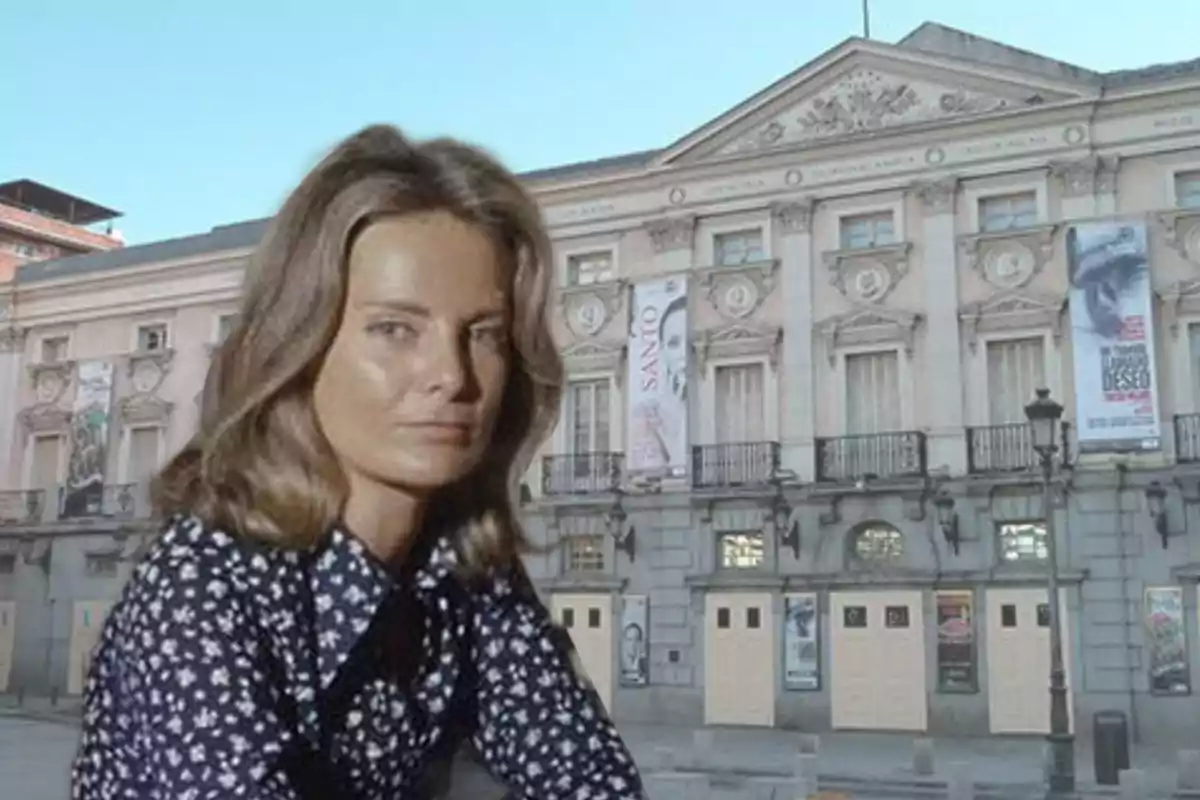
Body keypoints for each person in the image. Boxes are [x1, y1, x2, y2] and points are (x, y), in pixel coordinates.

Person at [70, 125, 645, 800]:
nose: (451, 376)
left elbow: (588, 779)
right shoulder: (202, 587)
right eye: (395, 330)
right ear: (302, 346)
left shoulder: (463, 568)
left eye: (482, 334)